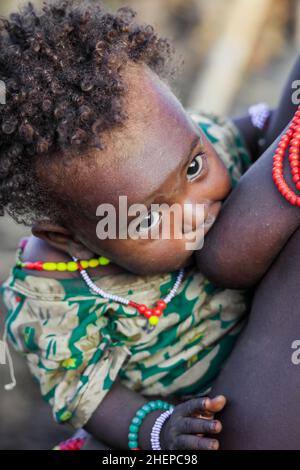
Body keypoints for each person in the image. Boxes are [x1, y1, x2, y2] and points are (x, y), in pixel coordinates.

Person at [0, 0, 297, 450]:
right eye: (153, 215)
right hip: (201, 413)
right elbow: (89, 395)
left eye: (195, 169)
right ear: (68, 237)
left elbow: (248, 132)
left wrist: (275, 127)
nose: (197, 208)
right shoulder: (54, 299)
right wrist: (159, 429)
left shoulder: (186, 145)